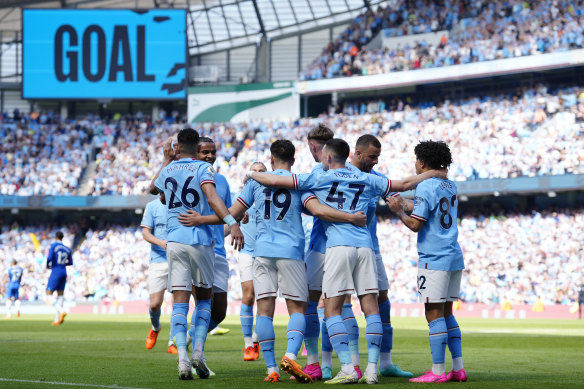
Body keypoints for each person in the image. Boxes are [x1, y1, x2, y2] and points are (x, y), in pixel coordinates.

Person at [248, 138, 442, 384]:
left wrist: (252, 174)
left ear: (328, 158)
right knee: (371, 307)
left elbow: (275, 180)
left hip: (338, 247)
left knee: (332, 310)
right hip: (365, 247)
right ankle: (372, 369)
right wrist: (435, 172)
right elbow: (404, 183)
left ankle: (347, 367)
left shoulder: (318, 177)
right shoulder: (366, 178)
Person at [179, 139, 367, 383]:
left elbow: (231, 213)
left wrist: (200, 219)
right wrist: (350, 217)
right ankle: (290, 355)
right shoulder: (299, 184)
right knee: (297, 309)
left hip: (263, 252)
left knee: (265, 310)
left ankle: (271, 370)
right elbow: (318, 211)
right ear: (293, 160)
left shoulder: (256, 182)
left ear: (270, 159)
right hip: (290, 252)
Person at [149, 128, 244, 380]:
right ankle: (198, 353)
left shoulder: (169, 169)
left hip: (174, 242)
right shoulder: (203, 170)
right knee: (204, 301)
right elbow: (211, 197)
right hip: (200, 240)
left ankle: (182, 359)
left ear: (177, 147)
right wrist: (232, 223)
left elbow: (153, 191)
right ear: (196, 148)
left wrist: (166, 159)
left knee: (180, 302)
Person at [386, 140, 467, 383]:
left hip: (434, 257)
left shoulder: (424, 186)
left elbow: (415, 224)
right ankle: (458, 368)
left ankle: (438, 371)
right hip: (453, 254)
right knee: (448, 314)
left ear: (422, 162)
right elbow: (430, 209)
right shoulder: (449, 185)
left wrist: (399, 212)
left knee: (433, 314)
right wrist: (405, 204)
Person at [349, 134, 413, 378]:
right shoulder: (340, 174)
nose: (375, 161)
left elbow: (400, 198)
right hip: (341, 246)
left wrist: (419, 207)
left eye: (378, 157)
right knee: (341, 302)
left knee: (381, 296)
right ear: (357, 153)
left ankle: (384, 363)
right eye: (372, 156)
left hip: (370, 247)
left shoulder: (376, 179)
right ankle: (352, 364)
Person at [303, 124, 361, 381]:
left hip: (321, 245)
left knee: (311, 302)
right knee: (342, 304)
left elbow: (309, 207)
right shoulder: (352, 172)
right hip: (349, 243)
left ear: (315, 147)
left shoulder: (316, 173)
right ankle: (354, 363)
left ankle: (316, 364)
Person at [140, 193, 177, 354]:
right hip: (158, 260)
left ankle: (173, 341)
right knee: (155, 304)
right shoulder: (152, 206)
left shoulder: (180, 203)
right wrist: (160, 242)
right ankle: (155, 327)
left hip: (178, 260)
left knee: (178, 304)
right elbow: (145, 233)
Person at [238, 162, 267, 362]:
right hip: (247, 252)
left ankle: (256, 339)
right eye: (254, 170)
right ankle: (248, 343)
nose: (257, 174)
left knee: (264, 298)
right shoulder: (241, 199)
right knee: (248, 296)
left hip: (266, 252)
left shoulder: (271, 195)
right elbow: (229, 219)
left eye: (261, 171)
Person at [46, 231, 73, 326]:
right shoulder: (67, 249)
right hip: (64, 271)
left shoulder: (53, 245)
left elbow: (49, 258)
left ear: (56, 237)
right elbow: (70, 263)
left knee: (48, 294)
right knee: (60, 294)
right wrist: (62, 263)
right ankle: (57, 319)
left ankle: (62, 311)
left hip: (56, 271)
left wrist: (48, 265)